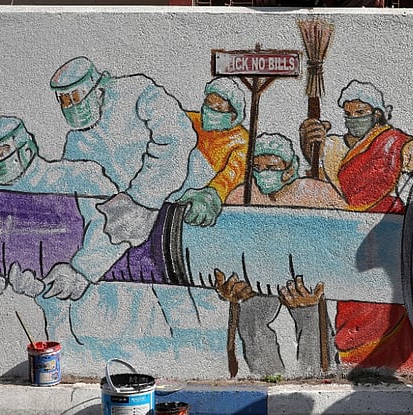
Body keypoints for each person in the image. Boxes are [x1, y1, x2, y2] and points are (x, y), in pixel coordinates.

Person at [50, 56, 222, 344]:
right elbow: (101, 217)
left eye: (75, 96)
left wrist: (143, 198)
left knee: (207, 297)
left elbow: (177, 137)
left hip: (190, 205)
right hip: (143, 234)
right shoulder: (77, 146)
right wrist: (84, 269)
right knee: (172, 300)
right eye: (63, 100)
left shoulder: (137, 92)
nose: (70, 105)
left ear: (97, 88)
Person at [299, 79, 413, 374]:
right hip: (347, 239)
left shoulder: (394, 142)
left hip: (387, 234)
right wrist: (309, 144)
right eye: (348, 113)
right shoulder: (333, 146)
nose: (353, 118)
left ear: (376, 114)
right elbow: (318, 185)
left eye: (360, 112)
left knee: (390, 309)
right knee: (352, 309)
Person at [0, 115, 126, 342]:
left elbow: (119, 222)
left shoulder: (79, 177)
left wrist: (82, 270)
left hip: (121, 321)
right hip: (61, 332)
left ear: (26, 148)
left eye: (0, 153)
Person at [216, 133, 341, 376]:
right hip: (258, 276)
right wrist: (231, 285)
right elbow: (226, 243)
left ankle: (314, 375)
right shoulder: (242, 195)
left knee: (311, 317)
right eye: (257, 167)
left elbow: (341, 236)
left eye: (271, 167)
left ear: (289, 169)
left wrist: (322, 281)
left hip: (304, 278)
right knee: (250, 319)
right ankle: (268, 374)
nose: (263, 173)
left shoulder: (316, 192)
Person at [177, 77, 250, 227]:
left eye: (217, 109)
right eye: (207, 104)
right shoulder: (192, 121)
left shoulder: (241, 141)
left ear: (233, 115)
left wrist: (211, 195)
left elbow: (231, 175)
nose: (208, 111)